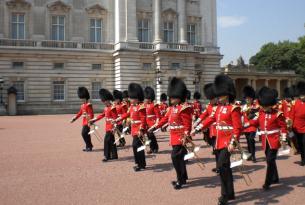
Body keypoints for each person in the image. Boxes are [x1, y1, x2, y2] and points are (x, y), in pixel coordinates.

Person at [193, 74, 242, 205]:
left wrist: (233, 143)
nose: (218, 97)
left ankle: (224, 195)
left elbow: (238, 128)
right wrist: (197, 129)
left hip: (228, 142)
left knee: (221, 166)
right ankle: (230, 193)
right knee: (225, 167)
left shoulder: (234, 108)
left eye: (221, 94)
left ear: (227, 93)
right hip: (219, 141)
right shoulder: (218, 108)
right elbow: (210, 119)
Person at [150, 77, 192, 190]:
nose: (171, 98)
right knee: (180, 158)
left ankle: (180, 180)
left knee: (175, 157)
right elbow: (164, 119)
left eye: (173, 96)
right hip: (173, 136)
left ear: (179, 97)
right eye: (171, 96)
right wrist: (155, 127)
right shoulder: (171, 109)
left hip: (180, 136)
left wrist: (186, 136)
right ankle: (183, 177)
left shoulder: (184, 108)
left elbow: (188, 124)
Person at [247, 87, 287, 190]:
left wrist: (283, 139)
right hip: (265, 140)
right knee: (271, 161)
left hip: (274, 140)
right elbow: (254, 123)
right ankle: (275, 178)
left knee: (269, 160)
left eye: (265, 106)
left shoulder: (277, 114)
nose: (263, 108)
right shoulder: (261, 113)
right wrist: (244, 124)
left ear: (270, 104)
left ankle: (267, 182)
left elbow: (283, 127)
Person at [116, 83, 147, 171]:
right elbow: (127, 114)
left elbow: (143, 119)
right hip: (133, 129)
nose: (130, 99)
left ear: (137, 98)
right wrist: (119, 118)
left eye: (132, 98)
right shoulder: (132, 107)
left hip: (139, 129)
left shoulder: (141, 107)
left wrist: (141, 129)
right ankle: (140, 163)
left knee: (136, 145)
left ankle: (141, 164)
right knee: (136, 146)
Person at [90, 89, 118, 162]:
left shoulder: (113, 108)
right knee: (111, 141)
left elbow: (116, 118)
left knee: (106, 141)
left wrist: (114, 127)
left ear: (108, 100)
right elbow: (102, 115)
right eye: (103, 101)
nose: (104, 102)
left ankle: (107, 156)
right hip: (107, 126)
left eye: (104, 101)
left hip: (111, 127)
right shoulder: (106, 108)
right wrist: (94, 119)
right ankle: (114, 155)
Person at [70, 87, 94, 152]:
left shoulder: (89, 105)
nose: (82, 100)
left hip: (88, 121)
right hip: (84, 122)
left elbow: (91, 114)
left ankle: (89, 145)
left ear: (85, 97)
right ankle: (88, 146)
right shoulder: (83, 105)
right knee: (86, 134)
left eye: (83, 98)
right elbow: (79, 113)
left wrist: (90, 121)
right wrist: (74, 118)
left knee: (83, 133)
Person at [241, 85, 259, 162]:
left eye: (249, 98)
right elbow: (241, 117)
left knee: (251, 139)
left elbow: (256, 118)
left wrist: (249, 123)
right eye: (247, 98)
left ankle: (253, 155)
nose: (248, 100)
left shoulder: (255, 107)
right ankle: (250, 154)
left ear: (252, 99)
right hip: (245, 127)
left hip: (252, 127)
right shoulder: (243, 107)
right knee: (248, 141)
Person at [291, 81, 305, 166]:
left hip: (304, 127)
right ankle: (303, 158)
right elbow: (292, 115)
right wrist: (290, 125)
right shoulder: (295, 103)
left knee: (304, 143)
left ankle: (304, 160)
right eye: (301, 95)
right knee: (299, 144)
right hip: (296, 127)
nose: (303, 97)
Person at [144, 87, 161, 153]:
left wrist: (156, 124)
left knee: (151, 135)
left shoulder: (154, 105)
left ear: (150, 98)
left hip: (152, 123)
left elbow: (158, 115)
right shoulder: (144, 105)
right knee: (149, 136)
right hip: (147, 122)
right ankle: (152, 148)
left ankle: (155, 147)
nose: (145, 99)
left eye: (147, 98)